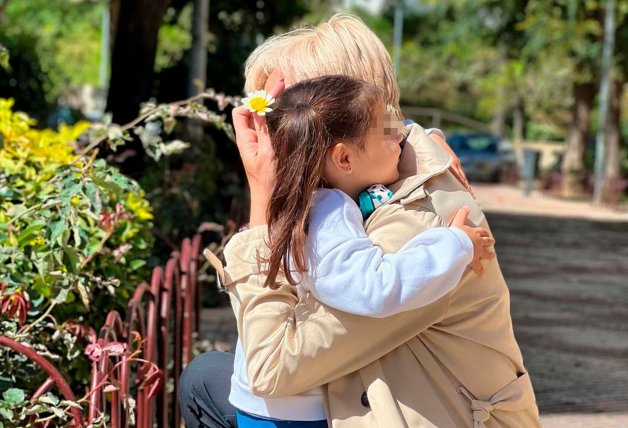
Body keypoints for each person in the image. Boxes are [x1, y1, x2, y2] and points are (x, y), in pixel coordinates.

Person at [179, 12, 541, 428]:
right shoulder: (370, 176)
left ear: (341, 141)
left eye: (288, 122)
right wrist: (428, 132)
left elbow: (271, 369)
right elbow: (398, 127)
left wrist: (262, 201)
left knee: (217, 386)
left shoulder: (412, 225)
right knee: (203, 379)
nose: (275, 139)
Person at [229, 75, 494, 427]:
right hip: (291, 414)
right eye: (388, 130)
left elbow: (377, 128)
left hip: (276, 404)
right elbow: (377, 287)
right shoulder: (329, 215)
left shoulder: (304, 200)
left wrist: (431, 135)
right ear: (343, 158)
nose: (399, 134)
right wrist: (456, 244)